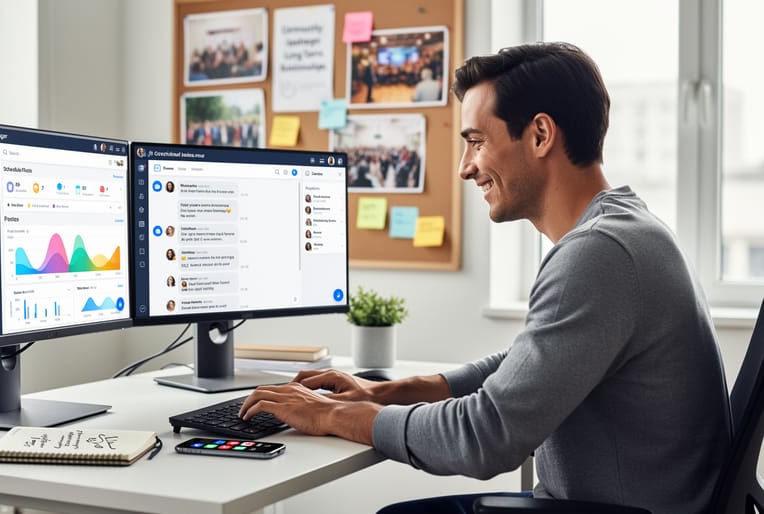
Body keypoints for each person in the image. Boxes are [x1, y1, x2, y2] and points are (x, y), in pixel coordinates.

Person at [240, 42, 730, 514]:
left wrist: (332, 415)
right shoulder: (624, 229)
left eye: (476, 142)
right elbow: (526, 362)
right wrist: (381, 392)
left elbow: (486, 437)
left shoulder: (599, 253)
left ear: (540, 135)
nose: (464, 168)